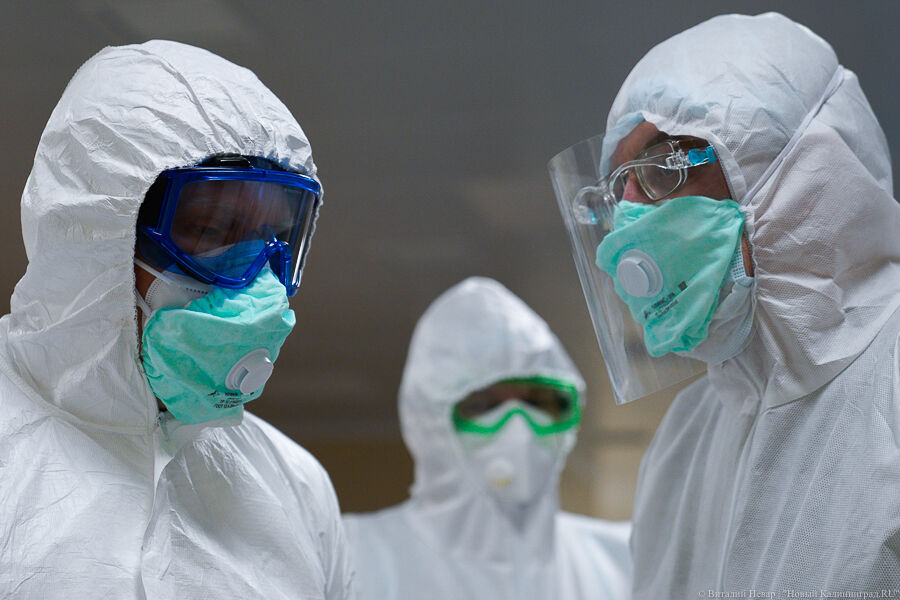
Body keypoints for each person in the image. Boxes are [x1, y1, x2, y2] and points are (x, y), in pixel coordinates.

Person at [548, 12, 900, 597]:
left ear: (797, 168)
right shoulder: (685, 439)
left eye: (661, 167)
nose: (629, 219)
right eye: (620, 191)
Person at [0, 41, 352, 598]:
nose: (258, 284)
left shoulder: (296, 487)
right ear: (97, 236)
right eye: (213, 231)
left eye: (277, 239)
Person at [342, 277, 632, 600]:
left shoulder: (624, 562)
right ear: (430, 425)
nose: (519, 429)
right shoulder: (353, 557)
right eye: (484, 405)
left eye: (539, 402)